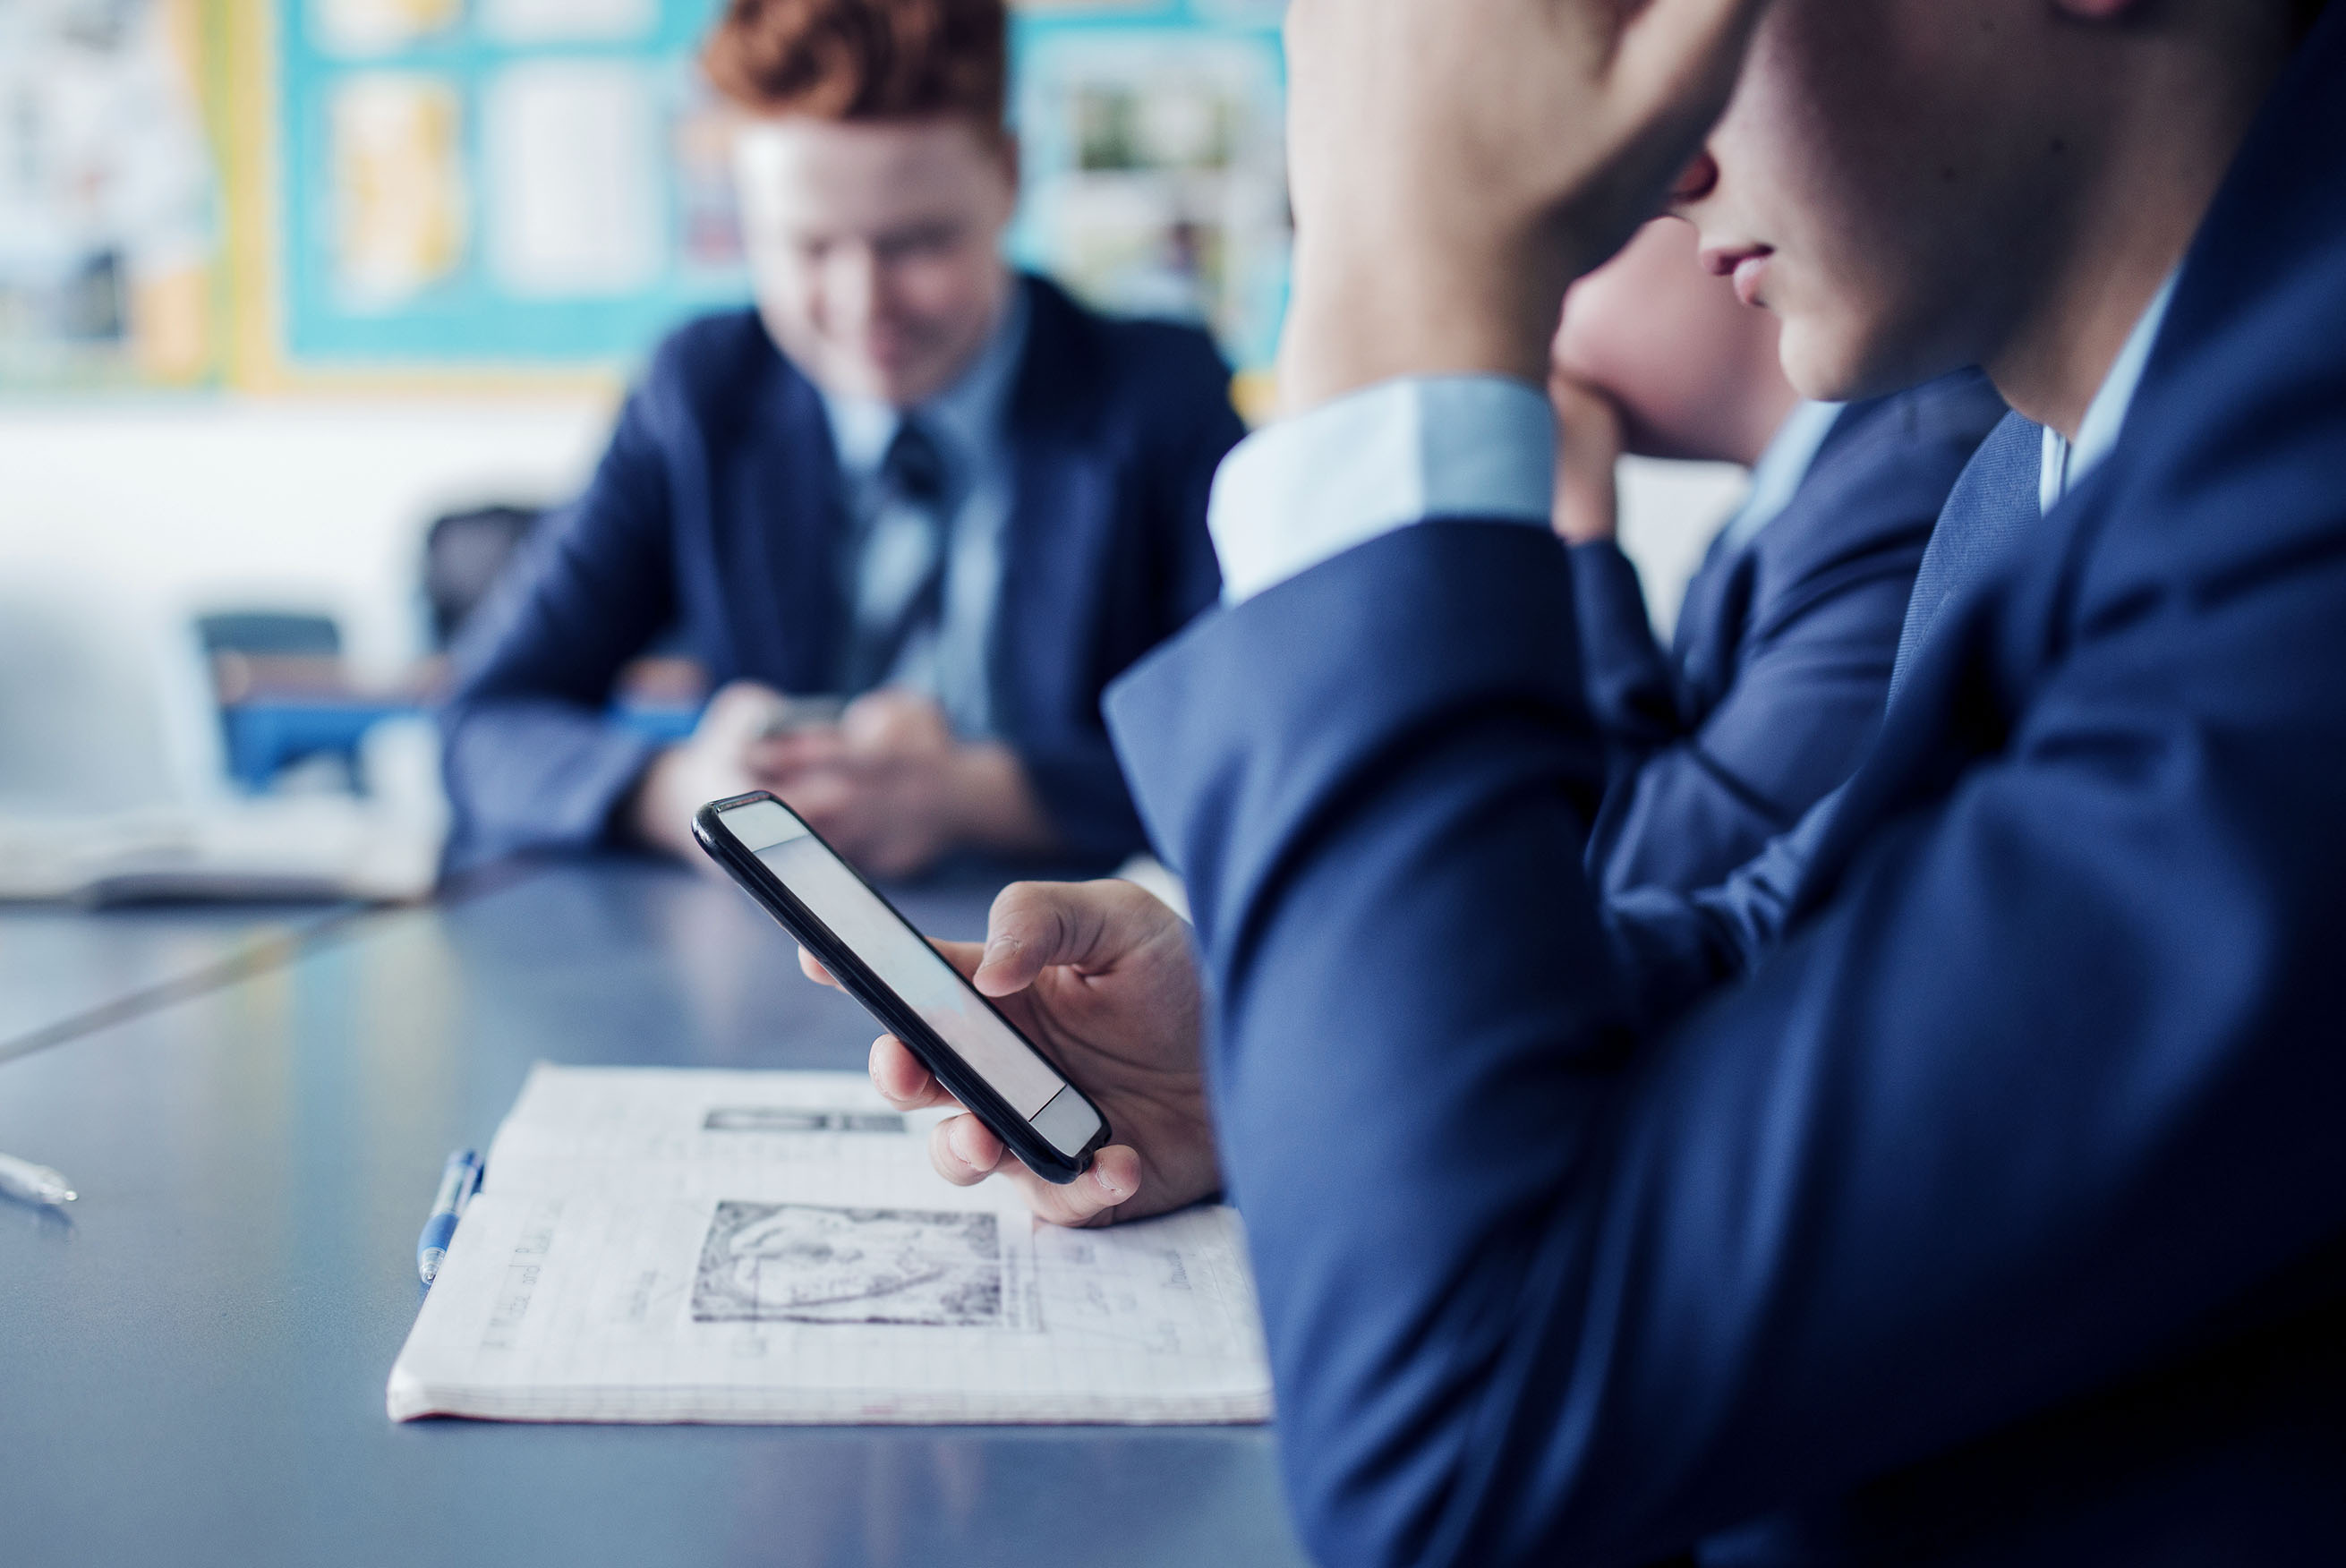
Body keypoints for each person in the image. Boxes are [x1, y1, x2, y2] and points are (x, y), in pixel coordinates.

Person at [823, 0, 2346, 1561]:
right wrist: (1272, 1037)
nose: (1664, 167)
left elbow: (1463, 1444)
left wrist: (1409, 288)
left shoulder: (2301, 547)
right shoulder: (2045, 471)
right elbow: (1794, 940)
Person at [439, 0, 1241, 878]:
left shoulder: (1157, 395)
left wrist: (975, 794)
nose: (864, 307)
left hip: (1072, 973)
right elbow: (482, 723)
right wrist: (686, 797)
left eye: (918, 243)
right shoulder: (701, 392)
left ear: (1009, 177)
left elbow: (1252, 752)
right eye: (809, 247)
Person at [1549, 217, 2003, 898]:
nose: (1522, 338)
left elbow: (1622, 890)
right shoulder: (1766, 531)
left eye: (1553, 255)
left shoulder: (1911, 488)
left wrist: (1572, 534)